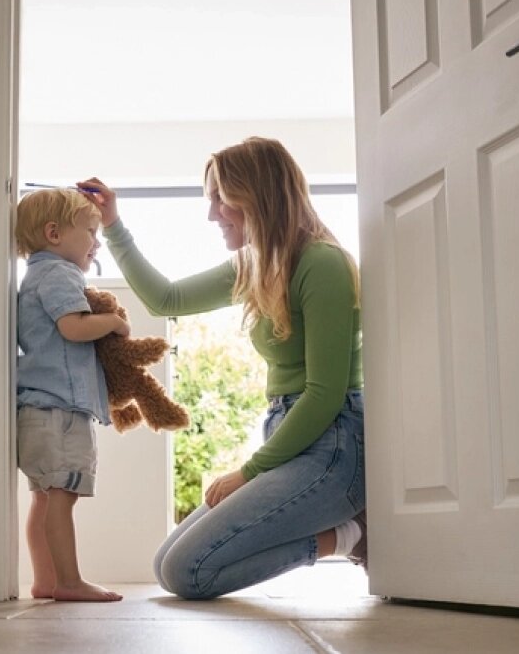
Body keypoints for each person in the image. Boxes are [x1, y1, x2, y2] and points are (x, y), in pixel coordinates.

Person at [78, 137, 366, 599]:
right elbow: (166, 298)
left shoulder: (322, 264)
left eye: (220, 198)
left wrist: (247, 473)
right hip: (288, 436)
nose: (212, 213)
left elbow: (324, 395)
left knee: (187, 573)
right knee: (165, 563)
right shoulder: (254, 266)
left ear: (258, 195)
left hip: (333, 446)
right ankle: (346, 533)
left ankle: (350, 537)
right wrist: (112, 223)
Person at [13, 188, 131, 602]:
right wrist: (112, 321)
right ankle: (67, 581)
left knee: (44, 500)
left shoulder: (34, 276)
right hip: (59, 408)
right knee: (61, 499)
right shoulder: (61, 275)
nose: (96, 243)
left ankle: (46, 579)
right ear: (55, 233)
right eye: (90, 231)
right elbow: (74, 327)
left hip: (38, 407)